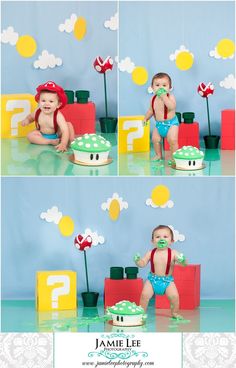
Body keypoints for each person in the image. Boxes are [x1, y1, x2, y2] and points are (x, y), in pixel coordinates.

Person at [134, 225, 187, 319]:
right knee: (144, 295)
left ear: (171, 241)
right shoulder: (151, 253)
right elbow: (142, 264)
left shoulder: (174, 253)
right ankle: (141, 313)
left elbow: (184, 265)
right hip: (152, 280)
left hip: (167, 281)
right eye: (157, 237)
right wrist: (138, 261)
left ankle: (175, 313)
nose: (161, 239)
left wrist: (182, 260)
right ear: (153, 241)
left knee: (174, 297)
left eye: (165, 237)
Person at [21, 81, 74, 152]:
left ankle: (70, 141)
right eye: (43, 101)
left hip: (57, 134)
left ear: (58, 105)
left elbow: (64, 130)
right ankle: (49, 141)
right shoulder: (38, 112)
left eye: (51, 101)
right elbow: (30, 117)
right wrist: (27, 120)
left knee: (68, 125)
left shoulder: (58, 115)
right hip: (42, 134)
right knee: (30, 136)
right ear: (39, 102)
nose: (46, 104)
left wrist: (63, 144)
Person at [143, 72, 179, 165]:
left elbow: (172, 107)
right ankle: (158, 155)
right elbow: (151, 110)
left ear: (170, 87)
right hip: (159, 124)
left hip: (171, 124)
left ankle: (174, 157)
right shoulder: (153, 98)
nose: (160, 88)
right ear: (152, 87)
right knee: (155, 139)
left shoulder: (170, 97)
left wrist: (164, 98)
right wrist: (145, 118)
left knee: (173, 140)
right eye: (157, 85)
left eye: (164, 85)